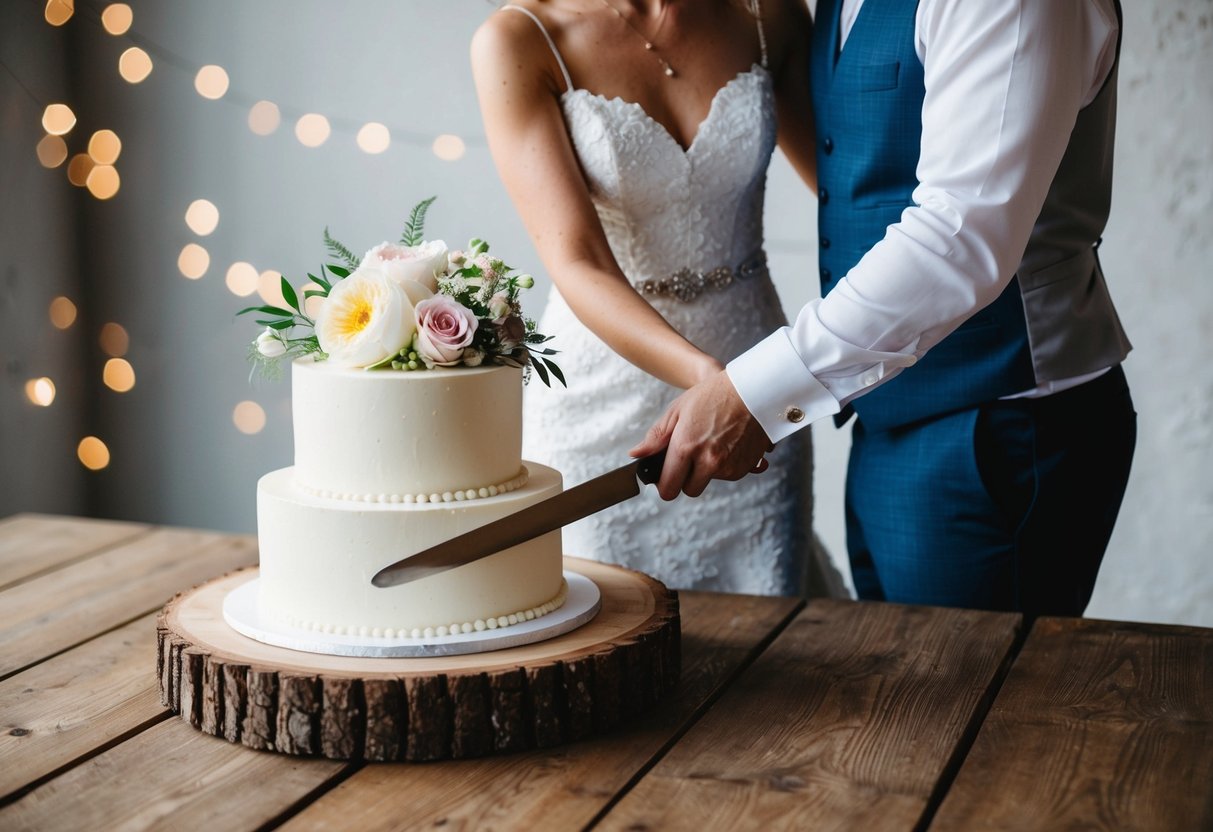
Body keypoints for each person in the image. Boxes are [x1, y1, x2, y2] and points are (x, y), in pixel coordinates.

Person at [633, 0, 1136, 619]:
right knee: (904, 696)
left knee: (977, 700)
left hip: (999, 424)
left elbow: (963, 235)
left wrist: (755, 391)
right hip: (886, 412)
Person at [471, 0, 843, 596]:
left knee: (771, 632)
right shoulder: (521, 39)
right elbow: (578, 260)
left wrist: (848, 355)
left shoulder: (766, 14)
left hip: (756, 387)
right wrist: (712, 379)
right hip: (601, 409)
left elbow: (848, 194)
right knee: (608, 633)